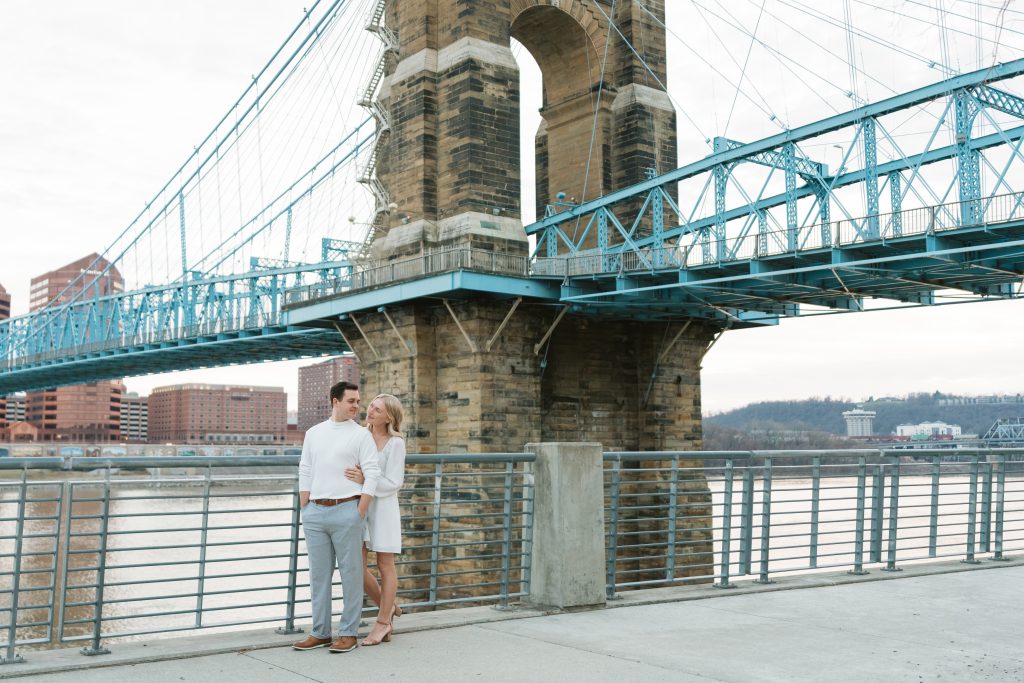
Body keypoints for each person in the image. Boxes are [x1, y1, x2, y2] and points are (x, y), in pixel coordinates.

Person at [292, 381, 381, 654]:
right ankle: (319, 632)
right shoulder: (314, 433)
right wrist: (305, 506)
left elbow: (372, 473)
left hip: (348, 510)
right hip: (315, 512)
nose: (357, 406)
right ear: (335, 401)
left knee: (351, 574)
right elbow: (305, 468)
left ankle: (348, 633)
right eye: (351, 401)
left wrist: (360, 510)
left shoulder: (361, 435)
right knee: (319, 576)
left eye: (358, 401)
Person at [345, 393, 406, 646]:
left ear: (389, 417)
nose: (369, 411)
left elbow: (394, 483)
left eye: (377, 409)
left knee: (385, 564)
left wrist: (366, 480)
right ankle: (388, 607)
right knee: (355, 567)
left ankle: (382, 623)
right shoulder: (359, 436)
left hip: (383, 508)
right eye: (370, 406)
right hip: (359, 506)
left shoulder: (396, 443)